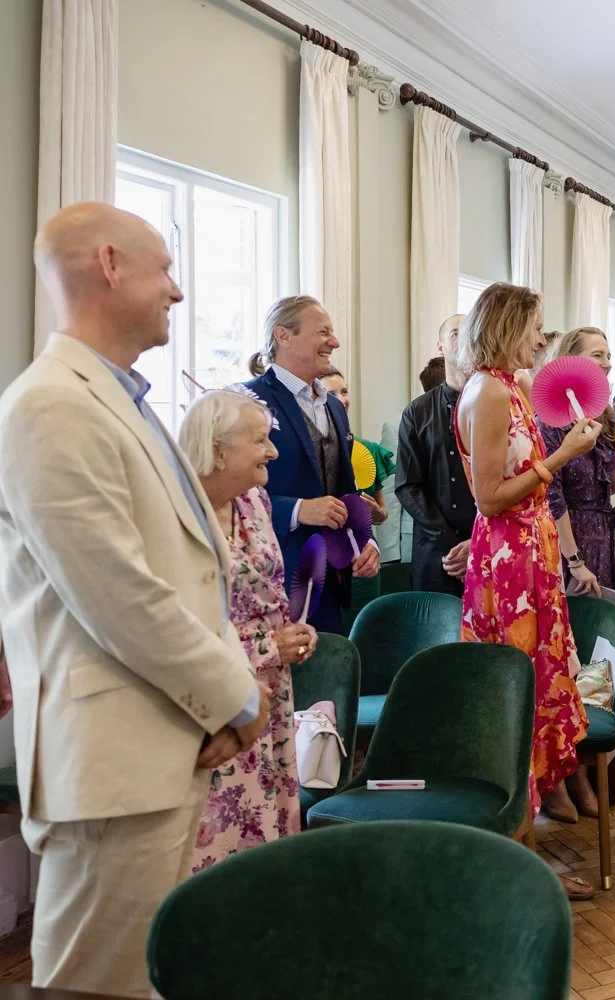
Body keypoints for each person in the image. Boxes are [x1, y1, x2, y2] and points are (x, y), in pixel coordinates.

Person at [0, 203, 267, 996]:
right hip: (109, 758)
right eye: (165, 271)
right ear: (109, 265)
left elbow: (186, 567)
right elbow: (115, 592)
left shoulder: (115, 396)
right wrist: (235, 695)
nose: (178, 293)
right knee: (98, 984)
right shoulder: (51, 404)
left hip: (154, 740)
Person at [453, 283, 600, 898]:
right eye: (536, 326)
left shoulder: (509, 386)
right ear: (506, 325)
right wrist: (563, 454)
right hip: (511, 568)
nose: (543, 339)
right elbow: (488, 495)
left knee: (535, 694)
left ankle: (526, 848)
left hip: (529, 557)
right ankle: (519, 859)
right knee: (516, 700)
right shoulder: (486, 392)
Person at [180, 390, 311, 872]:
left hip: (270, 691)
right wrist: (263, 646)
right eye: (259, 440)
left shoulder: (254, 499)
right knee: (216, 836)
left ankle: (263, 932)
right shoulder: (177, 512)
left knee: (270, 823)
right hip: (214, 699)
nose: (273, 451)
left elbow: (270, 590)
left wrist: (294, 633)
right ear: (217, 449)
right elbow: (178, 622)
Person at [244, 296, 379, 634]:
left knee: (327, 681)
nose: (334, 342)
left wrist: (365, 541)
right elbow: (232, 498)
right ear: (283, 335)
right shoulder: (248, 401)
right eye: (323, 332)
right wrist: (297, 509)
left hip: (331, 582)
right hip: (272, 576)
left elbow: (346, 490)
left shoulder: (334, 407)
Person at [540, 328, 615, 600]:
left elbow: (605, 483)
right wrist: (574, 560)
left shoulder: (605, 414)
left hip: (608, 537)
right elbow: (553, 495)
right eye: (597, 355)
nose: (608, 363)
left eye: (608, 355)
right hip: (569, 540)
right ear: (571, 360)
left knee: (607, 631)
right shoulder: (551, 419)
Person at [396, 314, 476, 597]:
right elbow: (407, 485)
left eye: (471, 331)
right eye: (456, 333)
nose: (464, 337)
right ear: (440, 346)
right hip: (435, 552)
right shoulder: (417, 412)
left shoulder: (501, 404)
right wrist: (452, 546)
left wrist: (476, 544)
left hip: (489, 546)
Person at [322, 368, 393, 526]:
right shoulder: (313, 449)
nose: (342, 400)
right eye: (331, 394)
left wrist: (378, 513)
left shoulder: (369, 449)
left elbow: (382, 512)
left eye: (344, 391)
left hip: (362, 546)